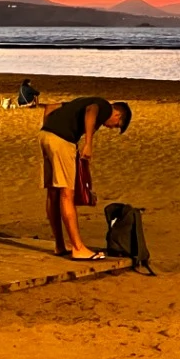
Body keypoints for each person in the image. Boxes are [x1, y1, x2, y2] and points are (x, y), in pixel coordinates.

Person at [38, 95, 130, 260]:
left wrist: (50, 128)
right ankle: (78, 248)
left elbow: (50, 107)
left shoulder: (80, 102)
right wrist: (88, 142)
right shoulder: (104, 107)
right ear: (117, 115)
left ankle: (59, 245)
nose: (111, 128)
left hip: (46, 136)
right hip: (62, 140)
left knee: (53, 193)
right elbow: (91, 111)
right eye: (116, 125)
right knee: (67, 194)